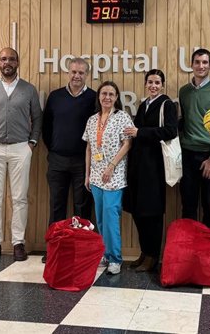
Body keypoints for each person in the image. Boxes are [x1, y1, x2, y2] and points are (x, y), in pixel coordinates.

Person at [0, 47, 42, 262]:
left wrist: (32, 142)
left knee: (20, 197)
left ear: (18, 62)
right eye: (3, 59)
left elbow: (37, 118)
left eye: (11, 59)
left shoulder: (29, 89)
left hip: (20, 148)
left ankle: (18, 243)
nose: (7, 62)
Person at [42, 58, 96, 262]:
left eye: (81, 73)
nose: (77, 76)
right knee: (57, 206)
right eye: (74, 72)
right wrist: (54, 147)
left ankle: (81, 250)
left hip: (83, 162)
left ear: (87, 75)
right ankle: (54, 250)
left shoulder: (93, 98)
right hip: (57, 160)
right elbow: (46, 127)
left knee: (82, 207)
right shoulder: (56, 97)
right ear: (68, 72)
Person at [123, 69, 177, 272]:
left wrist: (140, 132)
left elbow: (171, 131)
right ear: (145, 84)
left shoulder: (167, 104)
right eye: (150, 82)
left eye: (157, 82)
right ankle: (144, 252)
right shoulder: (144, 104)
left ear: (162, 85)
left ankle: (154, 255)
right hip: (138, 166)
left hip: (154, 167)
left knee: (152, 212)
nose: (153, 86)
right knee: (138, 210)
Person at [83, 81, 133, 275]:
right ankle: (105, 253)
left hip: (114, 176)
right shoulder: (92, 120)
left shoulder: (123, 117)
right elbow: (88, 147)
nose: (107, 97)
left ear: (117, 98)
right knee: (101, 219)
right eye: (104, 93)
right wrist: (87, 174)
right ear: (99, 96)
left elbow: (127, 145)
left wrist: (111, 167)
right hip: (95, 176)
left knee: (111, 217)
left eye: (111, 94)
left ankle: (115, 258)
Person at [178, 48, 210, 228]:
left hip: (209, 156)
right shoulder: (184, 91)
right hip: (187, 155)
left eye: (205, 62)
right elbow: (184, 121)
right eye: (197, 62)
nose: (201, 66)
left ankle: (209, 252)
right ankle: (188, 252)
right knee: (188, 205)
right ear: (191, 65)